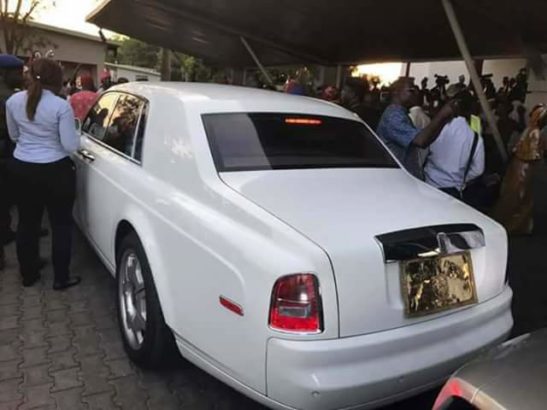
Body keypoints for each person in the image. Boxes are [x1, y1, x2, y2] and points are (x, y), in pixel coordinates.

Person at [6, 58, 81, 289]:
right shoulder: (60, 106)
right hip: (56, 170)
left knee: (27, 223)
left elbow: (14, 135)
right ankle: (61, 278)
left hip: (23, 169)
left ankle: (28, 274)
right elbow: (70, 145)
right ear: (56, 78)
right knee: (61, 225)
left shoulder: (13, 101)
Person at [376, 77, 455, 179]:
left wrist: (444, 119)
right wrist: (442, 115)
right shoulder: (393, 116)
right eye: (411, 90)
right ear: (396, 92)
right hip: (398, 180)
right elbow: (421, 140)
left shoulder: (400, 113)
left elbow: (426, 141)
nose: (416, 93)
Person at [491, 105, 547, 235]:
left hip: (519, 165)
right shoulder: (535, 132)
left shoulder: (530, 129)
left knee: (514, 195)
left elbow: (518, 149)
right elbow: (533, 155)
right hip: (525, 168)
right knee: (519, 197)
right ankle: (513, 225)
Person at [423, 89, 485, 201]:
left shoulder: (438, 127)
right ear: (471, 109)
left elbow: (423, 150)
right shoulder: (476, 138)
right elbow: (478, 170)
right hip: (453, 191)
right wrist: (461, 177)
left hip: (428, 183)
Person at [0, 54, 24, 270]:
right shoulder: (8, 98)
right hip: (5, 156)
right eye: (17, 72)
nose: (21, 75)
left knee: (5, 201)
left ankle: (6, 232)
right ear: (4, 74)